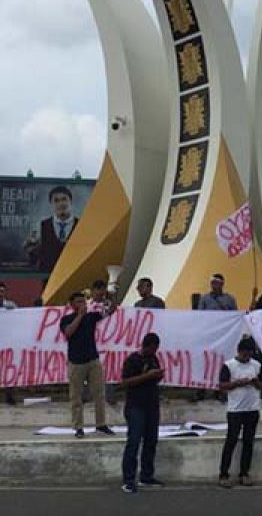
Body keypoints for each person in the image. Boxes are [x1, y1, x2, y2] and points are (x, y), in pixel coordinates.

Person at [61, 285, 116, 438]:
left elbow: (110, 311)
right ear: (72, 305)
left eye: (83, 302)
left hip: (93, 360)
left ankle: (101, 424)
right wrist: (79, 316)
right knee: (76, 397)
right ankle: (78, 427)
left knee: (99, 394)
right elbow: (68, 332)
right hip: (76, 362)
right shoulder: (66, 319)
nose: (82, 305)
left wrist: (110, 296)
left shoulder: (92, 317)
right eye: (78, 302)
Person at [120, 332, 164, 493]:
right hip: (136, 406)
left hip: (152, 405)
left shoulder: (154, 359)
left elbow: (154, 378)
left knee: (151, 441)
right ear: (145, 346)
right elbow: (125, 382)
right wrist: (146, 376)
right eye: (152, 349)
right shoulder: (132, 360)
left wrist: (157, 376)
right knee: (134, 442)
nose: (154, 352)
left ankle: (146, 475)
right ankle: (128, 479)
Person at [218, 336, 262, 488]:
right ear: (239, 351)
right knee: (231, 441)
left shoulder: (256, 365)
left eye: (249, 354)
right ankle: (223, 474)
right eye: (245, 354)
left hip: (252, 408)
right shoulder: (229, 365)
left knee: (248, 442)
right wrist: (237, 383)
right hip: (235, 409)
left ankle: (244, 473)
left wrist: (256, 383)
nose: (247, 357)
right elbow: (222, 385)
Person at [26, 185, 79, 272]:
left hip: (75, 276)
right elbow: (33, 258)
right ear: (51, 204)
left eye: (64, 199)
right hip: (48, 280)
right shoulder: (41, 226)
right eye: (56, 200)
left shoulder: (81, 225)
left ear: (71, 201)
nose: (61, 204)